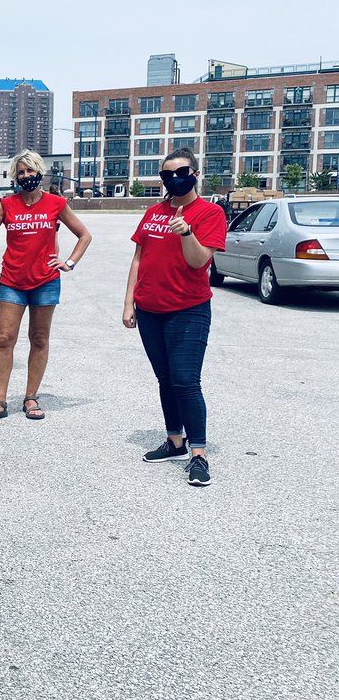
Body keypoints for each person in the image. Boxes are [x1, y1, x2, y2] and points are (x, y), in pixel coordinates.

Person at [123, 148, 227, 487]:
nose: (174, 179)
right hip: (149, 309)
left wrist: (186, 232)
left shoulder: (209, 213)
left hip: (188, 310)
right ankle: (175, 442)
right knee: (165, 379)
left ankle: (198, 454)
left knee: (186, 380)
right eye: (167, 175)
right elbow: (139, 259)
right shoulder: (153, 212)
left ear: (195, 172)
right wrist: (128, 303)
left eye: (181, 172)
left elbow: (200, 262)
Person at [0, 150, 92, 423]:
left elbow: (85, 235)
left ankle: (30, 396)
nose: (26, 176)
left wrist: (70, 262)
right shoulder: (6, 204)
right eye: (21, 172)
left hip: (45, 282)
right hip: (12, 281)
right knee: (4, 339)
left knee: (39, 339)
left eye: (30, 171)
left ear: (40, 173)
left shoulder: (56, 204)